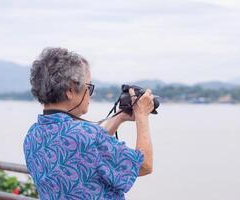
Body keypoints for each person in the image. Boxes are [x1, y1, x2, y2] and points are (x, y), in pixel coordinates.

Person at [23, 47, 154, 199]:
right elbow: (144, 166)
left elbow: (87, 155)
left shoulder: (32, 135)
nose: (90, 95)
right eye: (89, 87)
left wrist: (119, 118)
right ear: (70, 90)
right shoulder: (89, 136)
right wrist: (142, 115)